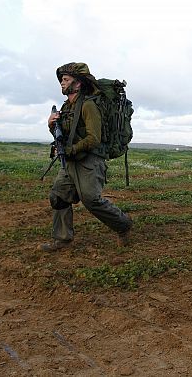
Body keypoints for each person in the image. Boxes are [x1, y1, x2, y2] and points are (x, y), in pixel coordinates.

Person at [40, 63, 133, 251]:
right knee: (58, 196)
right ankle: (63, 239)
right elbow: (64, 137)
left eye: (66, 79)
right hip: (71, 161)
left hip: (90, 161)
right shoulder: (67, 107)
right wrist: (51, 125)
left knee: (91, 200)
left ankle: (123, 225)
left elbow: (94, 138)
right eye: (61, 80)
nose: (62, 83)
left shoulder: (89, 105)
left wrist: (70, 150)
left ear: (78, 83)